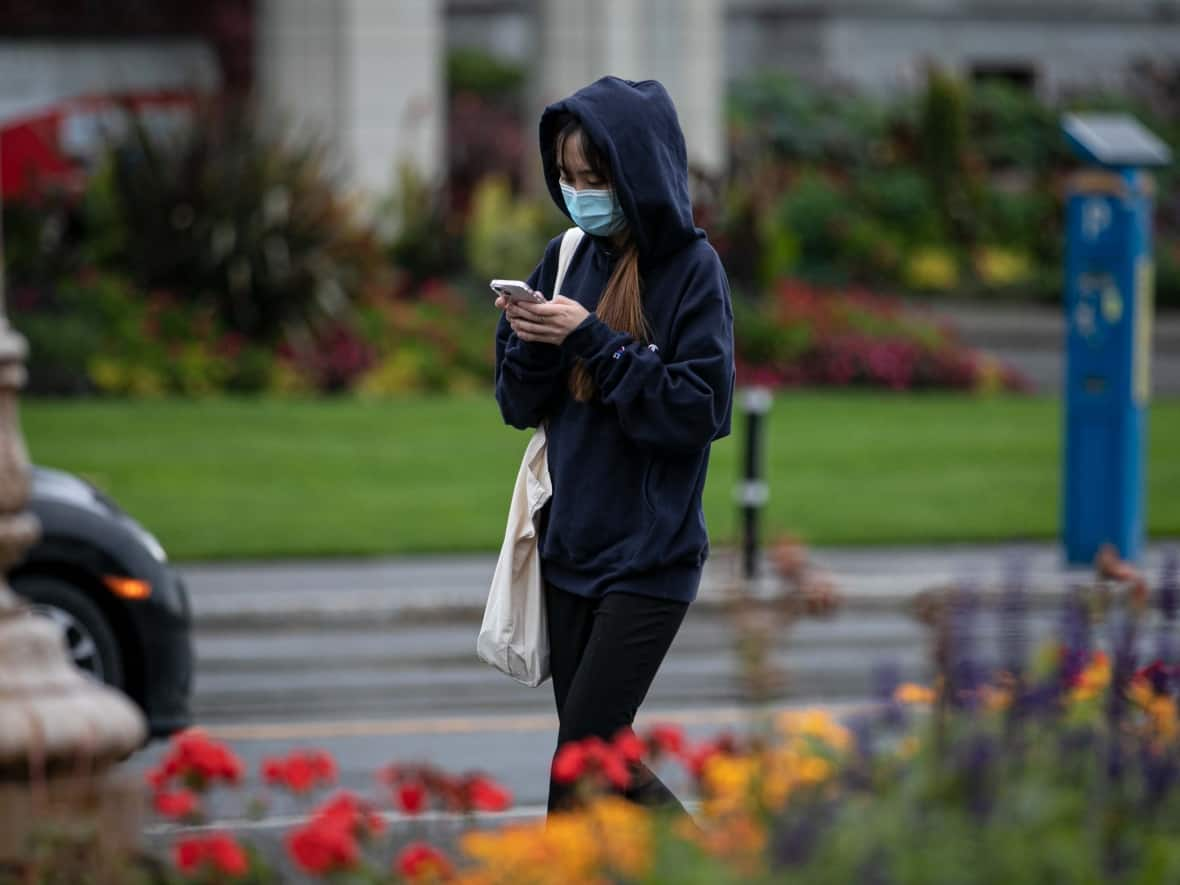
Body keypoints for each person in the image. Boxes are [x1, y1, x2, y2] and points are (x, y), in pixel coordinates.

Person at [492, 76, 735, 815]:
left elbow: (698, 409)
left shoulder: (692, 271)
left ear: (636, 173)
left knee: (583, 759)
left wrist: (591, 339)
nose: (576, 194)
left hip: (648, 563)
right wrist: (536, 340)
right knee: (599, 758)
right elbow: (515, 405)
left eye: (593, 179)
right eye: (565, 177)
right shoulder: (566, 257)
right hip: (570, 553)